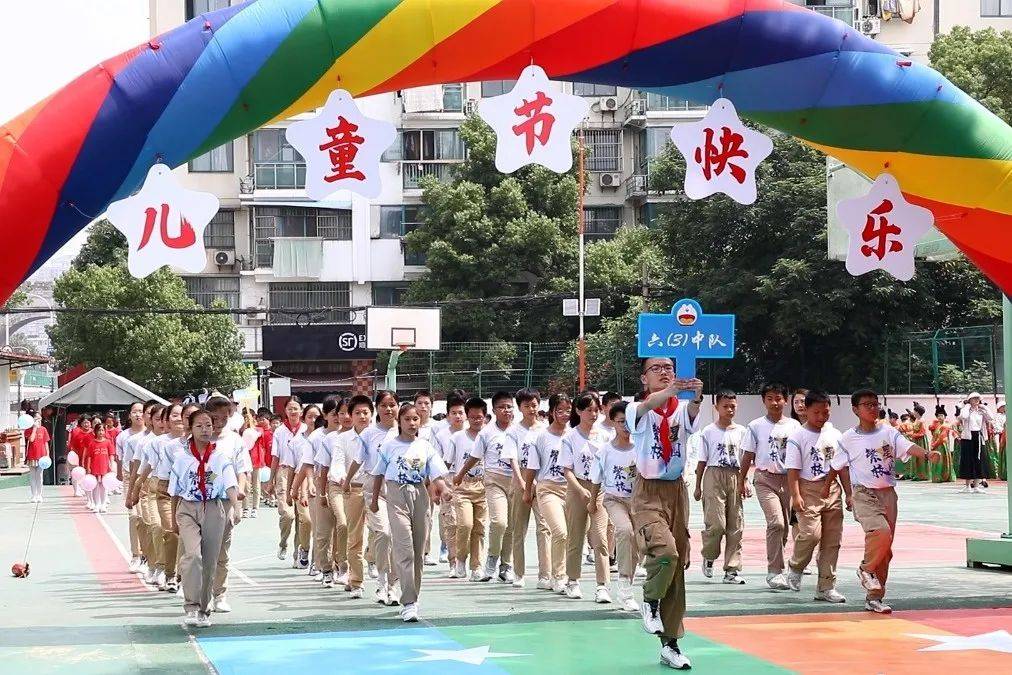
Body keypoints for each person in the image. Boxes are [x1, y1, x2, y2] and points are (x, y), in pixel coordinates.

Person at [826, 389, 941, 613]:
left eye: (875, 403)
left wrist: (927, 454)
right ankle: (865, 569)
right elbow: (835, 466)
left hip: (888, 494)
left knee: (885, 550)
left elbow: (908, 447)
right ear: (855, 410)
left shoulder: (889, 432)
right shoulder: (848, 438)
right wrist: (829, 490)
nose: (873, 408)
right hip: (863, 493)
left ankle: (875, 597)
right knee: (880, 532)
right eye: (867, 404)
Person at [628, 358, 703, 671]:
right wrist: (671, 389)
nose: (664, 371)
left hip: (676, 491)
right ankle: (649, 599)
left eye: (669, 367)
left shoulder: (679, 410)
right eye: (656, 368)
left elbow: (692, 413)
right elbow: (648, 407)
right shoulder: (636, 409)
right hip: (648, 491)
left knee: (677, 567)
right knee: (665, 552)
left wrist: (696, 397)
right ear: (644, 379)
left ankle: (670, 643)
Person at [369, 403, 451, 622]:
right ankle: (408, 602)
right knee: (404, 547)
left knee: (417, 551)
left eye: (416, 419)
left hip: (420, 497)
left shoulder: (425, 446)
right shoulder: (389, 446)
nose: (412, 423)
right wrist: (375, 500)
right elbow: (378, 474)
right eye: (407, 419)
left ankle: (414, 595)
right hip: (396, 496)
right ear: (400, 421)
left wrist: (444, 490)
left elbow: (436, 475)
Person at [168, 408, 241, 628]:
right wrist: (174, 519)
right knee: (193, 556)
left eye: (209, 425)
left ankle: (204, 609)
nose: (205, 429)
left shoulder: (220, 458)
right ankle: (191, 605)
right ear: (190, 428)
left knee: (210, 561)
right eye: (199, 425)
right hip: (188, 508)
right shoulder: (181, 458)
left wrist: (236, 507)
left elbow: (230, 484)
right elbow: (176, 492)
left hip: (213, 508)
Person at [783, 391, 845, 603]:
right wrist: (796, 495)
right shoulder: (797, 436)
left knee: (832, 540)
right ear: (806, 410)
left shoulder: (835, 435)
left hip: (832, 489)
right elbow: (792, 469)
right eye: (816, 412)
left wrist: (849, 493)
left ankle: (826, 586)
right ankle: (796, 565)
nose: (821, 416)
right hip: (808, 488)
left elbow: (841, 467)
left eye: (825, 412)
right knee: (811, 534)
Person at [738, 382, 799, 590]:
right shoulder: (755, 426)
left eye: (779, 398)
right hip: (765, 479)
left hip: (789, 480)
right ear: (763, 400)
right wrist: (741, 480)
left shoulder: (794, 426)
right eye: (770, 398)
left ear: (785, 400)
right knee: (776, 524)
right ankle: (775, 572)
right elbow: (748, 454)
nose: (775, 402)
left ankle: (780, 564)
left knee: (783, 530)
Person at [457, 391, 520, 584]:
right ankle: (491, 559)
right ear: (494, 410)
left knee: (511, 526)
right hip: (494, 481)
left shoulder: (519, 431)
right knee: (499, 522)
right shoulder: (487, 432)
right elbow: (475, 456)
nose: (506, 410)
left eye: (509, 406)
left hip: (516, 482)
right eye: (502, 407)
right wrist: (460, 474)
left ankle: (505, 566)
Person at [344, 390, 400, 605]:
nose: (389, 409)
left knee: (398, 538)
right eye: (384, 405)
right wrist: (348, 480)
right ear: (378, 408)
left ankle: (393, 586)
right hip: (374, 487)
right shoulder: (369, 433)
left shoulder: (403, 431)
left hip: (400, 488)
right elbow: (358, 459)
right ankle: (382, 582)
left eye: (392, 404)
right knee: (384, 533)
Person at [560, 391, 611, 602]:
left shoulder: (605, 436)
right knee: (576, 535)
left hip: (599, 489)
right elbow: (567, 469)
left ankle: (602, 586)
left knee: (600, 538)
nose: (593, 414)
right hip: (577, 488)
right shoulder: (569, 438)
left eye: (596, 410)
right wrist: (580, 490)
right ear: (579, 411)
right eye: (588, 410)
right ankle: (572, 580)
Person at [694, 390, 749, 585]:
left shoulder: (743, 432)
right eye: (725, 406)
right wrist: (698, 485)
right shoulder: (708, 431)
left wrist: (745, 481)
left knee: (736, 525)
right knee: (716, 524)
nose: (729, 409)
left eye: (732, 406)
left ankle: (732, 570)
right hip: (713, 475)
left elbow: (746, 459)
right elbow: (702, 460)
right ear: (716, 407)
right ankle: (709, 555)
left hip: (735, 475)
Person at [590, 401, 639, 611]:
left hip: (638, 501)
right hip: (614, 499)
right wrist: (592, 502)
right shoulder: (605, 451)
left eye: (629, 422)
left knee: (636, 544)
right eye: (621, 422)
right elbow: (596, 479)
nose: (625, 427)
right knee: (624, 530)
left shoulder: (641, 448)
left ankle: (628, 583)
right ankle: (625, 589)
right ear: (613, 423)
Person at [207, 396, 252, 612]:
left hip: (225, 500)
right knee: (200, 551)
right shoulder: (199, 438)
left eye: (224, 417)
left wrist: (238, 501)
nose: (219, 422)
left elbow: (241, 470)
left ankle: (219, 594)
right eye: (215, 417)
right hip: (200, 501)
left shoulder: (235, 440)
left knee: (221, 551)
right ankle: (201, 592)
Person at [525, 393, 572, 593]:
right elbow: (532, 467)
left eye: (568, 410)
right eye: (559, 410)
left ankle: (566, 576)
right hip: (548, 488)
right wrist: (528, 491)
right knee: (559, 531)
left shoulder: (574, 435)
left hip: (571, 489)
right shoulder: (541, 437)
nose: (564, 414)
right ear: (552, 412)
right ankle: (557, 576)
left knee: (571, 536)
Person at [332, 395, 374, 599]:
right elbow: (338, 463)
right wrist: (342, 478)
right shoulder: (342, 439)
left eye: (365, 412)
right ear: (351, 415)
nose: (362, 416)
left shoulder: (381, 436)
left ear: (371, 414)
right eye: (357, 412)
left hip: (378, 490)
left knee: (381, 532)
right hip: (353, 489)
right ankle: (356, 580)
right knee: (354, 536)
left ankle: (372, 560)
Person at [509, 387, 550, 589]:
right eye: (527, 406)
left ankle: (545, 574)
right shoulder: (513, 431)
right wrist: (523, 482)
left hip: (542, 481)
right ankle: (518, 572)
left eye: (534, 405)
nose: (531, 409)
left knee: (545, 527)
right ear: (520, 408)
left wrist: (538, 481)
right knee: (519, 528)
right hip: (521, 480)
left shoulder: (545, 429)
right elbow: (512, 459)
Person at [450, 397, 490, 581]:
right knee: (465, 525)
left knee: (479, 528)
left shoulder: (490, 436)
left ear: (485, 417)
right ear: (467, 417)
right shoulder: (457, 438)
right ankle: (460, 560)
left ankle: (477, 567)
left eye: (479, 417)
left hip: (484, 487)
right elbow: (448, 463)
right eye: (472, 417)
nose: (476, 420)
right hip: (462, 487)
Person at [267, 397, 307, 564]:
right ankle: (283, 543)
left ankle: (298, 554)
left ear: (301, 410)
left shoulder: (305, 429)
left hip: (302, 473)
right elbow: (275, 457)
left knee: (302, 517)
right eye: (289, 408)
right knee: (288, 514)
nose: (292, 412)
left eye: (295, 408)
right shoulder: (279, 431)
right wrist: (271, 480)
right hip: (284, 472)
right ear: (285, 411)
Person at [431, 393, 466, 576]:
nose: (458, 416)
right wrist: (436, 487)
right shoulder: (441, 435)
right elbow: (435, 462)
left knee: (468, 524)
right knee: (451, 523)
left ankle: (470, 562)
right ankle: (453, 562)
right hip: (448, 482)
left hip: (472, 483)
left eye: (461, 412)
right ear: (447, 415)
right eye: (454, 413)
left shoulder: (475, 432)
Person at [117, 402, 146, 572]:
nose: (138, 415)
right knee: (134, 516)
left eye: (141, 412)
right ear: (129, 415)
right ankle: (136, 555)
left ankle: (149, 555)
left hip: (149, 479)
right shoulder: (124, 437)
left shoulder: (153, 436)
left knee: (147, 520)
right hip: (131, 477)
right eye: (134, 412)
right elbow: (124, 459)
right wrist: (121, 474)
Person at [957, 392, 996, 493]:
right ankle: (967, 486)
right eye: (974, 398)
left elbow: (991, 418)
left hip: (978, 436)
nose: (976, 400)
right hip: (967, 438)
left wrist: (985, 408)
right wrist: (967, 406)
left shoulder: (981, 411)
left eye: (978, 398)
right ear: (969, 400)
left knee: (979, 460)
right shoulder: (966, 410)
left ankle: (976, 486)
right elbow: (963, 416)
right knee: (967, 460)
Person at [85, 423, 114, 513]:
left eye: (102, 430)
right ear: (95, 432)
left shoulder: (108, 442)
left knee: (103, 485)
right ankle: (96, 504)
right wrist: (88, 467)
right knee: (95, 485)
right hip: (95, 466)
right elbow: (89, 456)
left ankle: (103, 504)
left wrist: (111, 464)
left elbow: (111, 454)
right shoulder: (92, 443)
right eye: (99, 430)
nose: (101, 432)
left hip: (105, 467)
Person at [25, 413, 50, 503]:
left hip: (42, 456)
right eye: (36, 418)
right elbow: (31, 439)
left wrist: (47, 455)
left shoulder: (44, 429)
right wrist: (34, 429)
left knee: (39, 475)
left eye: (39, 418)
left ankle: (39, 495)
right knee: (32, 476)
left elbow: (46, 443)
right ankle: (33, 495)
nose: (38, 420)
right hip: (32, 456)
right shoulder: (28, 430)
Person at [928, 405, 956, 483]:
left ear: (945, 416)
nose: (940, 417)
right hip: (936, 445)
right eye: (938, 416)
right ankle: (938, 476)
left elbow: (942, 437)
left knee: (941, 461)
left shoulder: (946, 425)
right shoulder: (937, 425)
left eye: (941, 415)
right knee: (937, 461)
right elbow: (933, 433)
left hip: (942, 445)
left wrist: (934, 445)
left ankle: (942, 476)